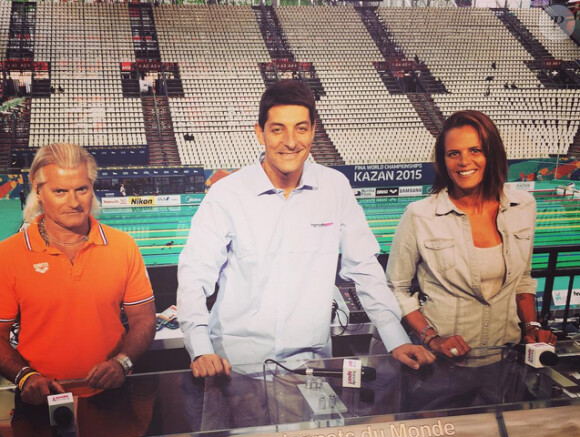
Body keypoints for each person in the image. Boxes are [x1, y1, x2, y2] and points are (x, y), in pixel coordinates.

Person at [177, 80, 434, 379]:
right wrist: (200, 348)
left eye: (300, 128)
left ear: (313, 130)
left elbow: (364, 269)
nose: (290, 141)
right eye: (277, 129)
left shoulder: (335, 187)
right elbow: (194, 277)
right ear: (259, 133)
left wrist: (397, 339)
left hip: (313, 368)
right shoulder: (227, 194)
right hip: (237, 367)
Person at [383, 110, 556, 359]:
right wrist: (431, 338)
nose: (464, 161)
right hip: (444, 361)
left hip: (506, 355)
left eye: (475, 150)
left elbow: (522, 280)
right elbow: (396, 288)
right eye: (454, 153)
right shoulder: (420, 215)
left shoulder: (524, 206)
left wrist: (532, 327)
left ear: (492, 154)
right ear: (443, 161)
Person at [0, 143, 156, 407]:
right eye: (60, 191)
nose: (73, 202)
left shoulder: (123, 246)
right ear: (38, 190)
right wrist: (25, 376)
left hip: (112, 398)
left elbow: (143, 318)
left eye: (81, 189)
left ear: (92, 187)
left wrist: (122, 362)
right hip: (41, 401)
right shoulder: (8, 254)